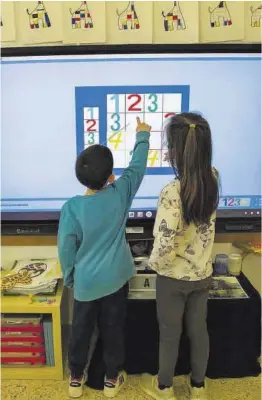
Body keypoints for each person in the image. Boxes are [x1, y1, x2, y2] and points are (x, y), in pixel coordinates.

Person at [58, 117, 151, 399]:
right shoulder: (119, 193)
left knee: (81, 331)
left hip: (85, 284)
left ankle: (76, 377)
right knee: (113, 330)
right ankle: (111, 380)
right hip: (115, 281)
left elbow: (65, 246)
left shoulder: (72, 207)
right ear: (110, 177)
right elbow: (137, 168)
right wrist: (142, 135)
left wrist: (70, 275)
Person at [141, 113, 219, 400]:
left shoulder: (172, 191)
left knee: (170, 333)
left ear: (175, 151)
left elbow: (164, 242)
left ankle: (164, 388)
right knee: (199, 331)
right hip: (202, 274)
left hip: (172, 279)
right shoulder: (213, 176)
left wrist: (154, 266)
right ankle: (198, 387)